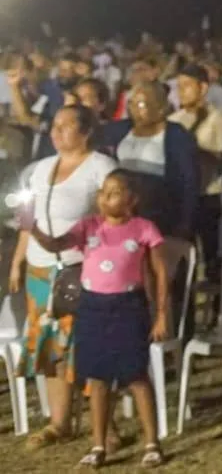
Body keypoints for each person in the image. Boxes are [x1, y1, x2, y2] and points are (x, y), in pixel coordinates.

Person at [29, 169, 169, 469]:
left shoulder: (143, 228)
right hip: (92, 307)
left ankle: (152, 443)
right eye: (103, 192)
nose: (105, 199)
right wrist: (33, 229)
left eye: (114, 193)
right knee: (97, 377)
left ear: (132, 199)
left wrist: (160, 315)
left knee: (136, 376)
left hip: (129, 306)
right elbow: (56, 244)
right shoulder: (88, 226)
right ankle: (98, 444)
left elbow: (160, 273)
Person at [8, 104, 118, 451]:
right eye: (54, 125)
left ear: (86, 131)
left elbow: (114, 216)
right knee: (50, 346)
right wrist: (18, 261)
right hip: (41, 270)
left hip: (80, 268)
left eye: (66, 126)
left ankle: (106, 424)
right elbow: (28, 221)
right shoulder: (41, 169)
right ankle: (60, 422)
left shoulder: (101, 167)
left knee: (86, 345)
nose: (56, 132)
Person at [98, 82, 202, 240]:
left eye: (141, 104)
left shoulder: (177, 136)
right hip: (122, 214)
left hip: (158, 216)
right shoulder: (119, 130)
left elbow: (189, 182)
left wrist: (185, 224)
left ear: (161, 109)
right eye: (131, 103)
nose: (133, 109)